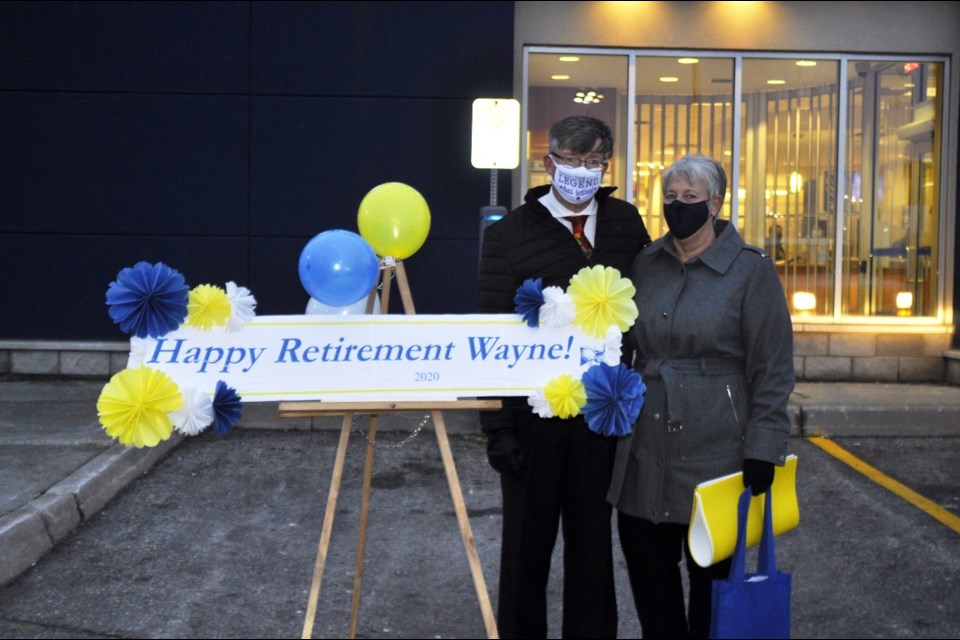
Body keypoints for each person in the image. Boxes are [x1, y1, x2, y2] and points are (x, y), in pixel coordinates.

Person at [477, 115, 651, 639]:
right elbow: (491, 333)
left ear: (607, 165)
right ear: (548, 161)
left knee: (593, 548)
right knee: (526, 548)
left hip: (601, 417)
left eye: (593, 161)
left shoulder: (625, 221)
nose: (581, 170)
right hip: (533, 421)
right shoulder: (509, 234)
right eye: (570, 160)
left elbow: (640, 306)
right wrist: (498, 429)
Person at [607, 154, 794, 638]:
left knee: (713, 593)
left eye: (690, 198)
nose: (677, 207)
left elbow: (772, 368)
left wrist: (764, 447)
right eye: (670, 198)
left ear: (716, 203)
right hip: (645, 453)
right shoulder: (647, 264)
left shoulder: (750, 271)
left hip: (718, 455)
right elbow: (622, 342)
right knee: (651, 586)